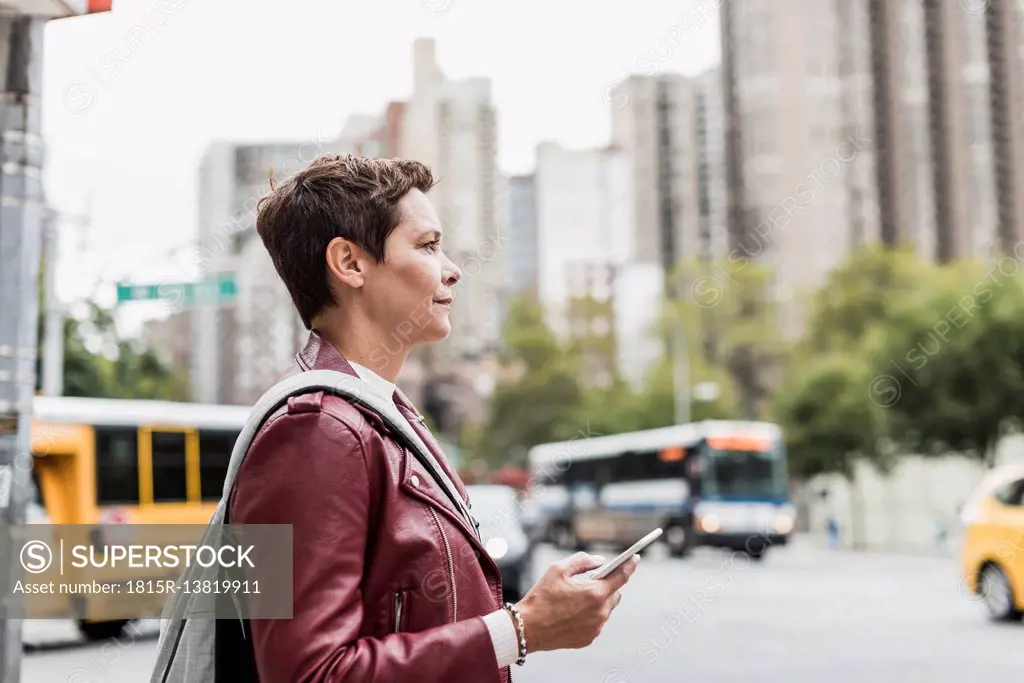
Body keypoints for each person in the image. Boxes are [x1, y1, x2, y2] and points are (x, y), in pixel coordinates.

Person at [230, 155, 640, 682]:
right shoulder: (317, 429)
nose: (452, 268)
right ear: (350, 264)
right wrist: (520, 629)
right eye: (427, 245)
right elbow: (311, 673)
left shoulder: (384, 417)